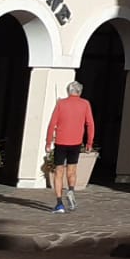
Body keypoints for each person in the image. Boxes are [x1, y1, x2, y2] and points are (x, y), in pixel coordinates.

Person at [45, 80, 96, 213]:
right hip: (76, 142)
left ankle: (59, 203)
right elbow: (90, 124)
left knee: (58, 172)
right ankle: (71, 190)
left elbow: (52, 124)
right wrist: (89, 142)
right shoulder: (85, 104)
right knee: (72, 170)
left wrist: (48, 142)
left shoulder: (61, 104)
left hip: (61, 141)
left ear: (69, 91)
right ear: (80, 92)